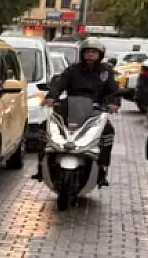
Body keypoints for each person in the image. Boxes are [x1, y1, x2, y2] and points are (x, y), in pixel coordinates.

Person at [35, 37, 119, 185]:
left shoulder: (106, 72)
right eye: (88, 52)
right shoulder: (73, 69)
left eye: (94, 52)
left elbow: (113, 90)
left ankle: (103, 166)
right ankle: (41, 165)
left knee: (108, 131)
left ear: (100, 55)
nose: (90, 55)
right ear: (82, 53)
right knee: (44, 126)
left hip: (95, 110)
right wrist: (51, 97)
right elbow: (59, 84)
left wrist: (114, 103)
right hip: (71, 108)